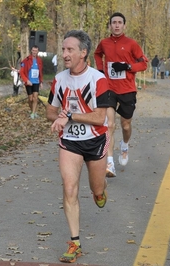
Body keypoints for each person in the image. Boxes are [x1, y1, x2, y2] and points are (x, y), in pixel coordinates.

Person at [46, 29, 109, 263]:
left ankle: (100, 191)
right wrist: (59, 116)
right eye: (63, 49)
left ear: (83, 52)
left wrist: (70, 115)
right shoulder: (60, 79)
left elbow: (99, 117)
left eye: (70, 49)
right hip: (70, 142)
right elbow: (50, 111)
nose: (64, 54)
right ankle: (75, 243)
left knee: (97, 190)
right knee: (69, 189)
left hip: (94, 141)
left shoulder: (97, 79)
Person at [94, 12, 148, 177]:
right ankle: (110, 163)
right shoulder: (104, 43)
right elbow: (97, 54)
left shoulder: (131, 44)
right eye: (113, 22)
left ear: (124, 26)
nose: (116, 25)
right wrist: (101, 70)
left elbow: (143, 63)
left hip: (127, 89)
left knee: (125, 125)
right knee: (109, 125)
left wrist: (128, 67)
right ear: (110, 26)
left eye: (119, 23)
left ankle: (124, 145)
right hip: (109, 88)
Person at [19, 45, 43, 119]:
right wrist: (26, 80)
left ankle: (33, 113)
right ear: (31, 51)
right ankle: (32, 110)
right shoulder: (26, 60)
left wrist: (41, 81)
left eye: (36, 51)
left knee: (35, 97)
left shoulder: (39, 60)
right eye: (33, 50)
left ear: (37, 51)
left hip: (36, 82)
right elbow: (21, 72)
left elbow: (40, 71)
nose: (34, 52)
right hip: (29, 82)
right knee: (30, 99)